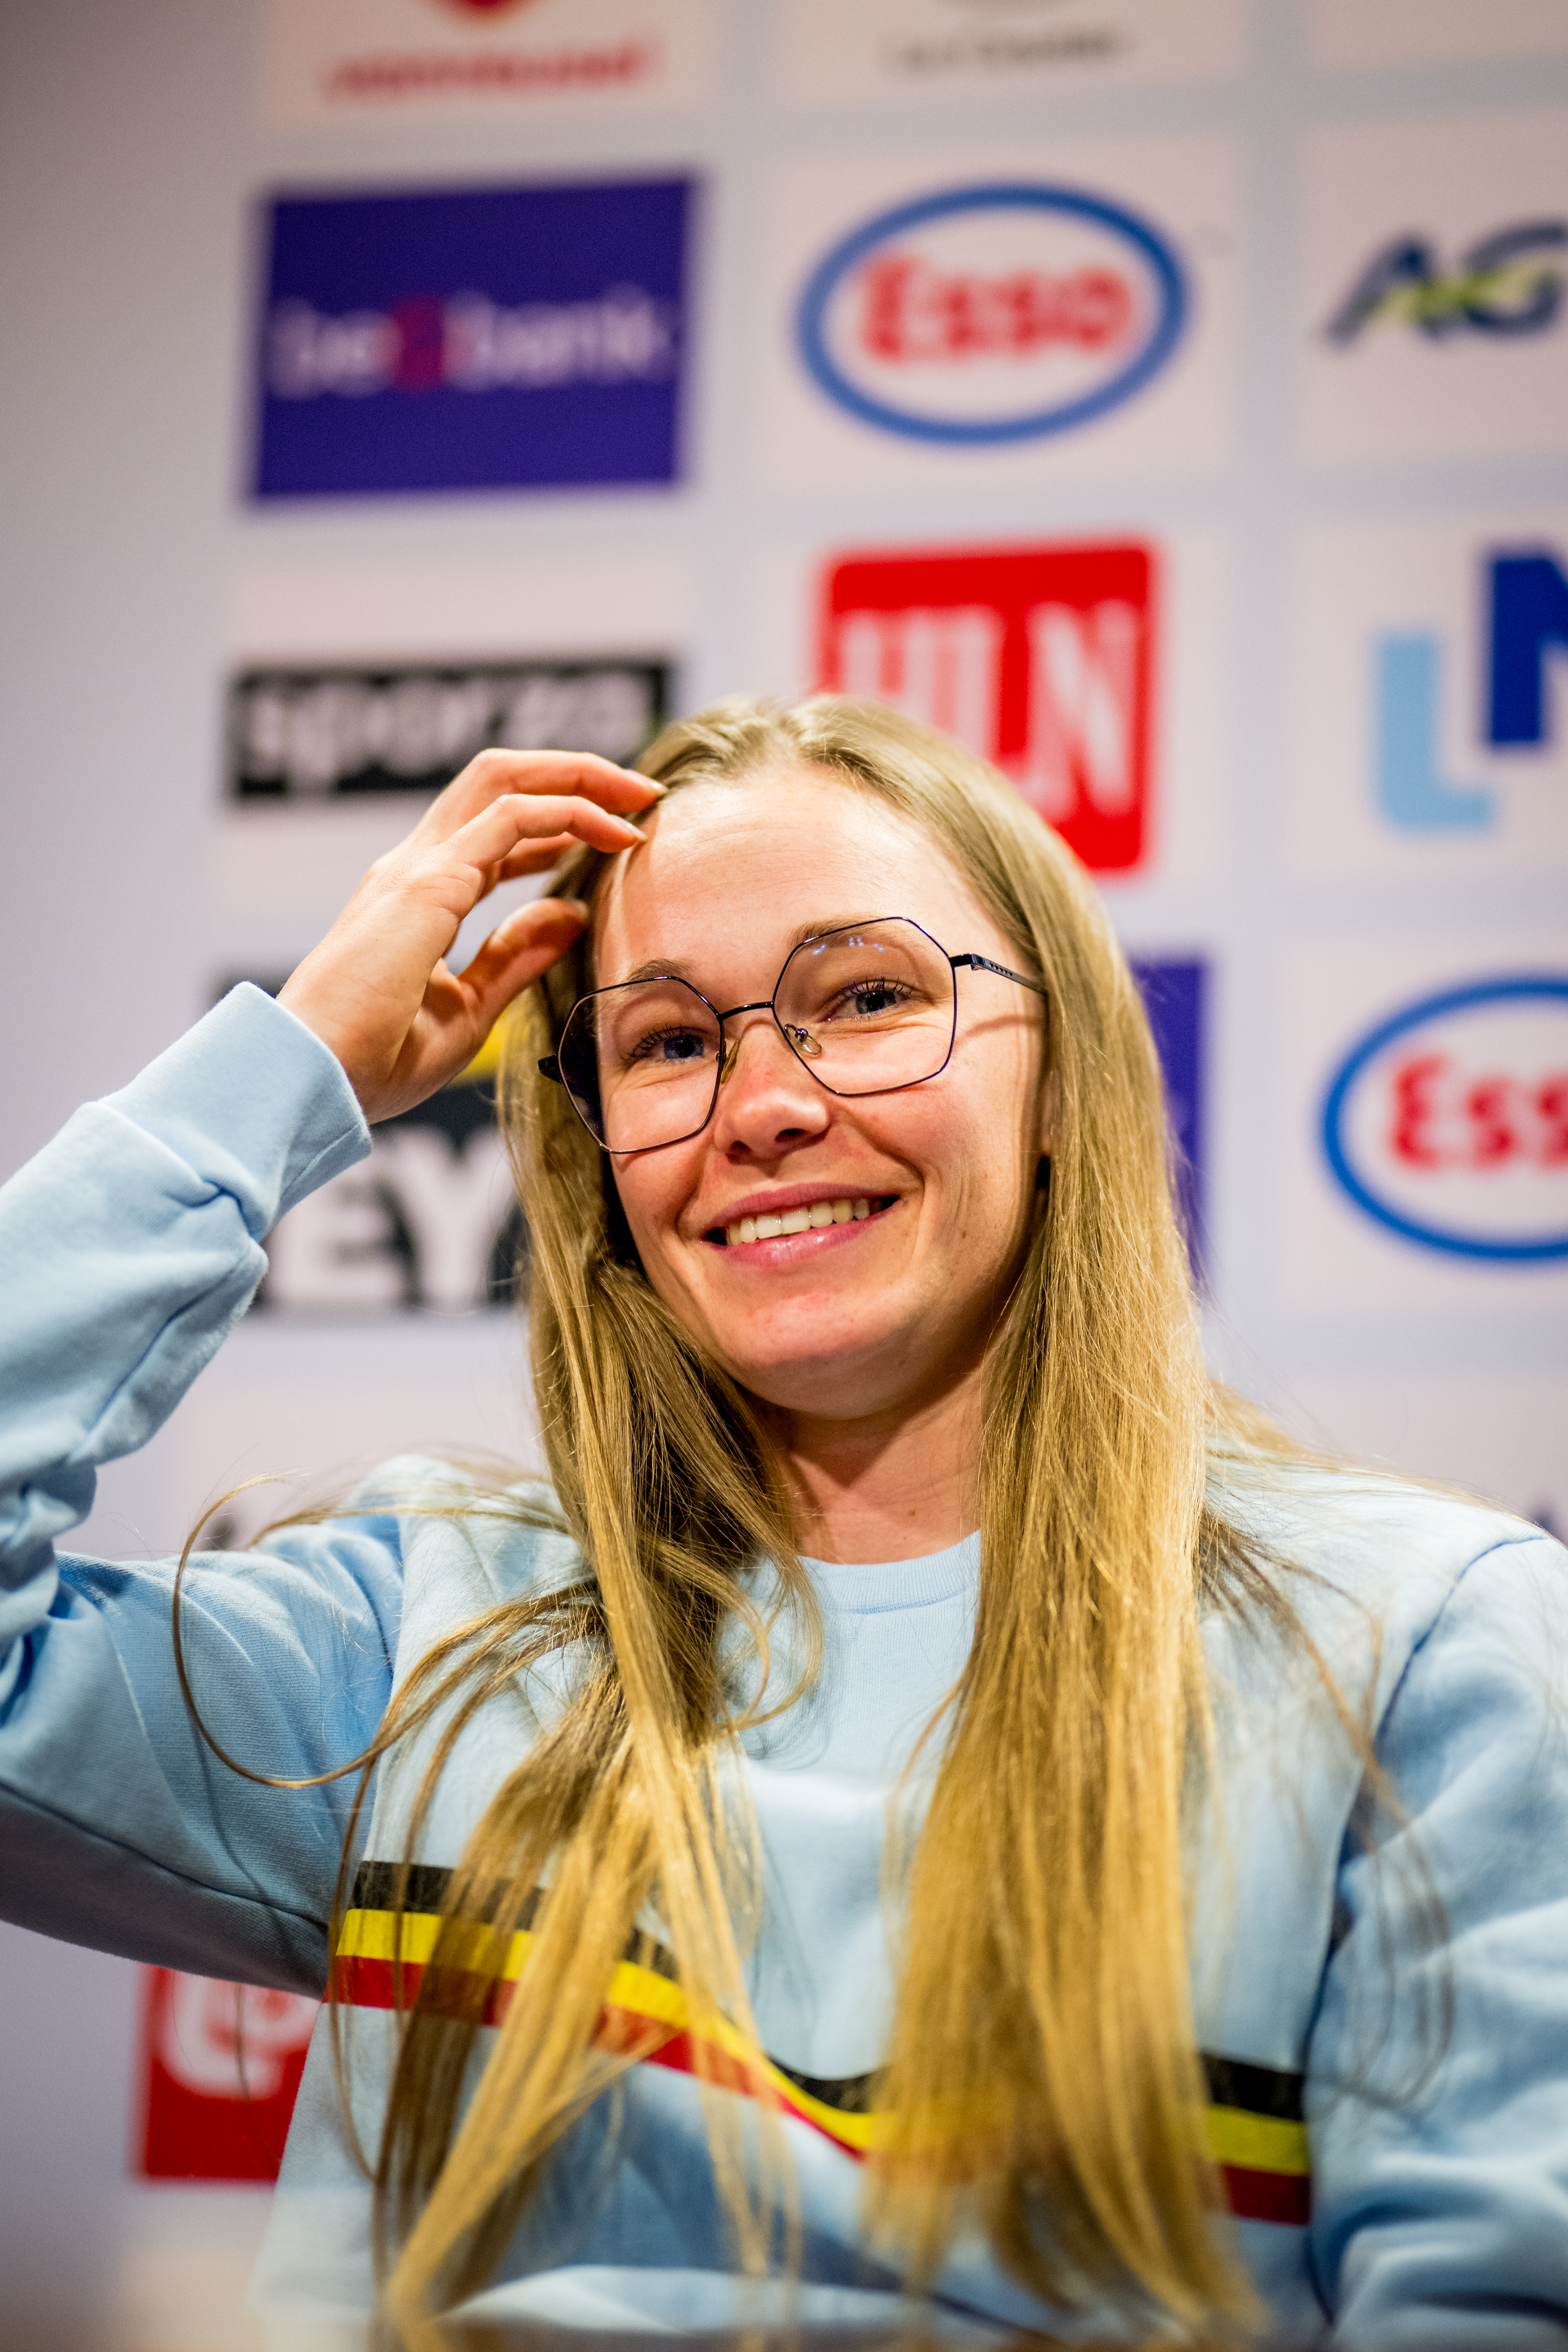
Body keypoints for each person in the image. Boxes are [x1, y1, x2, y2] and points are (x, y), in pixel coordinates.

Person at [2, 696, 1566, 2349]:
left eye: (868, 997)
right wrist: (288, 1062)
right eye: (668, 1041)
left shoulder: (1427, 1646)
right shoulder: (427, 1640)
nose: (762, 1104)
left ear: (1064, 1080)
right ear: (600, 1158)